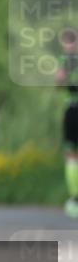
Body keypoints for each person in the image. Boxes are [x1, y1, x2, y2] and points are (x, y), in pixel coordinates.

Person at [56, 28, 78, 218]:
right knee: (71, 155)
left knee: (72, 156)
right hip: (71, 110)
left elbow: (59, 82)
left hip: (72, 110)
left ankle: (74, 198)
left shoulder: (65, 61)